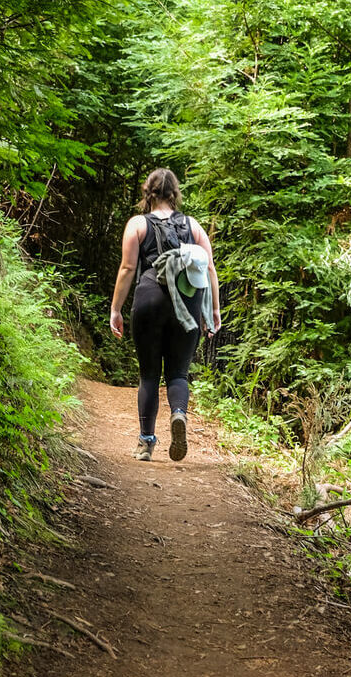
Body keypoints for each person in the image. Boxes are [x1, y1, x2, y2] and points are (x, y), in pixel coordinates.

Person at [109, 168, 220, 462]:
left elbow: (127, 268)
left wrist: (116, 308)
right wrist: (214, 311)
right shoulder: (194, 226)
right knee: (178, 373)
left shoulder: (137, 225)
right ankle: (179, 415)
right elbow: (209, 269)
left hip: (149, 299)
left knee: (148, 375)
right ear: (175, 193)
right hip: (188, 304)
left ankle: (146, 443)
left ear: (148, 192)